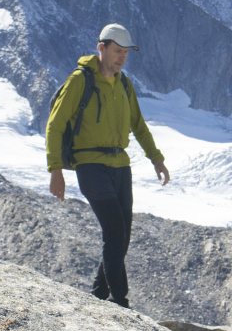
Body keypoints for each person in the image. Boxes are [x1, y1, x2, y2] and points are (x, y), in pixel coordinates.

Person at [45, 23, 171, 308]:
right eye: (117, 51)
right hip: (90, 165)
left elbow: (138, 124)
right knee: (114, 230)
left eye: (126, 53)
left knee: (122, 234)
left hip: (121, 165)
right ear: (101, 48)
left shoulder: (124, 84)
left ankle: (99, 294)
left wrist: (156, 158)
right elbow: (55, 125)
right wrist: (55, 170)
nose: (122, 57)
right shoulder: (80, 81)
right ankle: (120, 301)